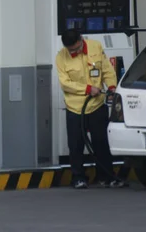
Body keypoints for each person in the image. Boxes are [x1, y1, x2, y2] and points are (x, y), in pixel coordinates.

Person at [56, 28, 125, 189]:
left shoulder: (96, 47)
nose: (74, 51)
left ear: (81, 39)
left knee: (101, 142)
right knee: (76, 144)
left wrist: (112, 87)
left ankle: (106, 176)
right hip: (75, 107)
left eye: (77, 48)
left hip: (96, 105)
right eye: (71, 50)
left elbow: (106, 70)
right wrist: (87, 89)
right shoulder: (61, 57)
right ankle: (78, 177)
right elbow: (65, 83)